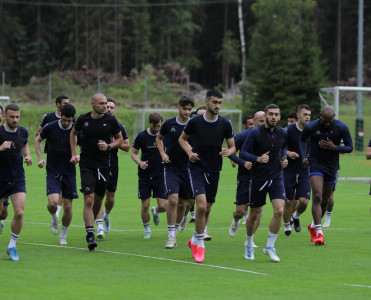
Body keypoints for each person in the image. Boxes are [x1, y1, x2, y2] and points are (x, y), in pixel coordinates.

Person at [179, 89, 235, 263]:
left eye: (220, 103)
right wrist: (189, 152)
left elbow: (233, 146)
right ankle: (200, 244)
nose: (217, 105)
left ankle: (195, 238)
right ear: (206, 102)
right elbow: (182, 139)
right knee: (201, 206)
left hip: (214, 169)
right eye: (214, 102)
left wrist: (228, 151)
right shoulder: (195, 122)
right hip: (196, 168)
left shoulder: (225, 124)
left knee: (208, 207)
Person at [70, 93, 123, 251]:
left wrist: (108, 146)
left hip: (104, 165)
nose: (105, 107)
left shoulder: (111, 120)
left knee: (99, 200)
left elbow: (119, 139)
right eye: (101, 104)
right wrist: (74, 153)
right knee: (88, 200)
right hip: (86, 164)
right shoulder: (83, 119)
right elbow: (73, 134)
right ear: (92, 103)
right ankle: (90, 234)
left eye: (106, 104)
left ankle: (92, 223)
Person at [240, 104, 288, 262]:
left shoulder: (282, 132)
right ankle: (248, 243)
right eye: (271, 114)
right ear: (266, 116)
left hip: (276, 177)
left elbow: (283, 148)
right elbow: (244, 152)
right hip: (259, 177)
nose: (274, 117)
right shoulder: (255, 132)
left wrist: (283, 159)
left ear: (280, 117)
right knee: (254, 214)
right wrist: (257, 159)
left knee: (279, 211)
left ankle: (269, 246)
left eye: (276, 114)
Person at [299, 106, 353, 245]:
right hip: (315, 163)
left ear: (333, 116)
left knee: (325, 200)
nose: (327, 124)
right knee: (317, 195)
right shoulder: (311, 126)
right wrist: (304, 157)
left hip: (331, 166)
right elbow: (302, 140)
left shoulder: (341, 127)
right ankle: (319, 231)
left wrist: (335, 148)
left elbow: (350, 147)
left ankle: (313, 226)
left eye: (330, 121)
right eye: (325, 121)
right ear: (320, 115)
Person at [35, 104, 78, 244]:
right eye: (64, 120)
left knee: (68, 207)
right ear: (61, 116)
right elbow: (37, 140)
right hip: (53, 170)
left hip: (69, 172)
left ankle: (63, 235)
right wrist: (40, 158)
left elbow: (85, 146)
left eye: (69, 121)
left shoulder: (76, 129)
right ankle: (54, 218)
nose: (66, 123)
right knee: (53, 203)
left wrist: (78, 156)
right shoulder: (50, 126)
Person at [155, 96, 195, 248]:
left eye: (190, 109)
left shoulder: (194, 125)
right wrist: (163, 154)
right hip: (171, 168)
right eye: (184, 109)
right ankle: (171, 236)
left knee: (184, 204)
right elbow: (159, 139)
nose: (187, 112)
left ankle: (176, 228)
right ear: (178, 107)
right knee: (173, 200)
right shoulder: (169, 123)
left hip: (189, 169)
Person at [0, 104, 33, 261]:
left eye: (17, 117)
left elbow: (25, 145)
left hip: (17, 178)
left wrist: (27, 156)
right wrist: (1, 148)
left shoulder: (23, 132)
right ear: (5, 116)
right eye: (12, 117)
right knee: (1, 214)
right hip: (0, 178)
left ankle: (12, 246)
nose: (15, 120)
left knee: (19, 212)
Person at [94, 98, 130, 238]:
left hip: (112, 165)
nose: (109, 109)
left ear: (115, 110)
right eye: (107, 106)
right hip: (97, 164)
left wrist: (114, 143)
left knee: (110, 197)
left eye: (112, 107)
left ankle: (106, 215)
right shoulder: (95, 124)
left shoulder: (119, 127)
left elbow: (127, 147)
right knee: (98, 196)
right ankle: (99, 226)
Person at [228, 111, 265, 240]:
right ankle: (236, 220)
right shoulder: (242, 136)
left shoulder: (271, 136)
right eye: (260, 121)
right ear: (254, 121)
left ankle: (250, 240)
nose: (263, 123)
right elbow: (230, 153)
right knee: (240, 211)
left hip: (262, 176)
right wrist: (242, 162)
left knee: (257, 211)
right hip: (245, 176)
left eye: (264, 121)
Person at [131, 112, 167, 240]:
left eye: (159, 126)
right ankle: (147, 230)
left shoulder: (164, 136)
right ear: (149, 123)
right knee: (144, 205)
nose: (157, 129)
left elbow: (170, 151)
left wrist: (166, 157)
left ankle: (156, 211)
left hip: (160, 174)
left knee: (164, 206)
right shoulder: (141, 136)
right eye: (154, 126)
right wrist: (140, 162)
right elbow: (133, 153)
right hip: (145, 175)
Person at [36, 95, 71, 223]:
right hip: (52, 155)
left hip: (66, 158)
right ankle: (55, 211)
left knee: (61, 188)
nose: (67, 105)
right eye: (65, 103)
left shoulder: (71, 119)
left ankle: (56, 212)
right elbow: (38, 134)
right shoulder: (48, 118)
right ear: (58, 104)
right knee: (56, 187)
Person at [282, 104, 312, 236]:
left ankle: (296, 215)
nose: (308, 117)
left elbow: (314, 150)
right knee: (288, 201)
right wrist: (288, 153)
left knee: (304, 201)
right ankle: (286, 225)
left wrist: (309, 158)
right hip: (289, 170)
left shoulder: (311, 131)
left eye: (309, 115)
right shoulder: (287, 130)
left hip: (304, 171)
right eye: (305, 115)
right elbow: (280, 148)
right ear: (298, 115)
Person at [184, 106, 207, 226]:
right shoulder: (189, 131)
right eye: (199, 115)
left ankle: (201, 230)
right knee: (187, 202)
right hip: (189, 168)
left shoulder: (210, 131)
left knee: (200, 202)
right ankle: (185, 216)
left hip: (206, 169)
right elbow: (181, 142)